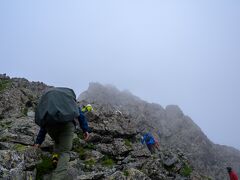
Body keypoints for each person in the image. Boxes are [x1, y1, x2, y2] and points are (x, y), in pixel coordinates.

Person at [34, 87, 92, 180]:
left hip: (50, 127)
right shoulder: (68, 103)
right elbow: (80, 114)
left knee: (57, 142)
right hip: (67, 126)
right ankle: (57, 176)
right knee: (65, 151)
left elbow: (44, 125)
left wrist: (38, 142)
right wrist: (85, 130)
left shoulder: (49, 107)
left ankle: (55, 160)